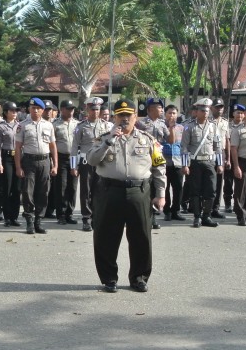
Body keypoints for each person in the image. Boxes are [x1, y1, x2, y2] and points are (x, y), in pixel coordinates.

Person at [87, 98, 166, 293]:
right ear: (114, 117)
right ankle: (108, 278)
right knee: (106, 237)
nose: (124, 119)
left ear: (135, 116)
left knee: (141, 237)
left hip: (139, 191)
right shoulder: (103, 138)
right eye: (120, 115)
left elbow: (159, 166)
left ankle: (139, 278)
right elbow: (91, 160)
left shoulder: (147, 139)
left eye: (128, 115)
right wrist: (108, 141)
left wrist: (161, 194)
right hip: (109, 191)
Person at [15, 98, 58, 234]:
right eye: (33, 108)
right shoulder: (22, 125)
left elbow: (52, 146)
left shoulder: (48, 125)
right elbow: (17, 148)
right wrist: (18, 167)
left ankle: (38, 220)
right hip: (29, 161)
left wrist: (55, 165)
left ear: (42, 110)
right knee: (28, 192)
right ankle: (29, 220)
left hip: (45, 161)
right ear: (29, 109)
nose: (35, 110)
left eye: (38, 108)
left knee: (43, 192)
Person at [71, 97, 112, 232]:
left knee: (100, 190)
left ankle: (97, 216)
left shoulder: (106, 126)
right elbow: (74, 146)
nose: (95, 112)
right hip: (86, 161)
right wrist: (73, 166)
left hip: (101, 162)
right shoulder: (81, 127)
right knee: (86, 190)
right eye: (92, 109)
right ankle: (86, 218)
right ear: (87, 110)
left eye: (97, 109)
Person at [181, 97, 221, 228]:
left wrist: (219, 163)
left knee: (211, 190)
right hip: (195, 163)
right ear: (196, 112)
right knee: (195, 191)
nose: (205, 113)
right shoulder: (189, 127)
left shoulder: (213, 127)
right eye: (202, 110)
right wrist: (185, 165)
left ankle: (206, 216)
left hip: (209, 162)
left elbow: (218, 146)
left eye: (207, 110)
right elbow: (184, 147)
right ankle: (197, 217)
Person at [137, 97, 168, 229]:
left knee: (156, 187)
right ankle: (144, 216)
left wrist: (171, 127)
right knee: (145, 187)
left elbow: (170, 139)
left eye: (161, 107)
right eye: (158, 107)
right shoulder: (140, 123)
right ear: (150, 109)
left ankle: (153, 217)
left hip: (158, 158)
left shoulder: (162, 123)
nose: (161, 109)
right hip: (144, 159)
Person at [0, 101, 22, 227]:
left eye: (16, 111)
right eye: (12, 111)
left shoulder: (20, 126)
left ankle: (14, 217)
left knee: (17, 189)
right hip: (7, 158)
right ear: (6, 112)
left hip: (18, 158)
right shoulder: (0, 126)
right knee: (7, 188)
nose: (15, 113)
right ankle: (7, 217)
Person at [52, 99, 79, 225]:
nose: (71, 111)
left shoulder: (77, 124)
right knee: (61, 187)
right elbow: (52, 144)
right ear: (62, 109)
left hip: (73, 157)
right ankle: (61, 214)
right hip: (61, 157)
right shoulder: (55, 124)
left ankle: (70, 213)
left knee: (72, 187)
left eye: (72, 109)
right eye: (68, 109)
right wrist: (54, 162)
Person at [162, 104, 185, 221]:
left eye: (174, 113)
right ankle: (167, 211)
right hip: (164, 162)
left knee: (178, 188)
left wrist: (186, 163)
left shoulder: (181, 128)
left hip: (177, 162)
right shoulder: (161, 127)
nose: (172, 115)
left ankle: (176, 210)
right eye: (169, 113)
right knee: (165, 188)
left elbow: (184, 147)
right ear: (165, 114)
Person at [209, 98, 229, 220]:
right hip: (209, 153)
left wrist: (228, 159)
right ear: (212, 108)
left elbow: (227, 140)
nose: (219, 109)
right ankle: (206, 207)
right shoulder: (207, 121)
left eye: (221, 107)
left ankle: (215, 208)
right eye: (217, 107)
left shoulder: (225, 122)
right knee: (209, 182)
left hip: (221, 153)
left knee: (219, 182)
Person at [223, 104, 244, 213]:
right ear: (233, 114)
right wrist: (227, 159)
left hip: (242, 157)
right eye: (237, 112)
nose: (239, 115)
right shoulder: (228, 126)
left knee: (240, 182)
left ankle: (238, 203)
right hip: (230, 157)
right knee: (228, 182)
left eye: (241, 113)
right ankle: (227, 203)